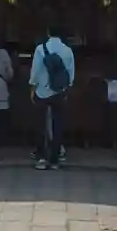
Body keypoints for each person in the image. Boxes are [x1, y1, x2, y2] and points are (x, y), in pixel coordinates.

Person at [28, 20, 75, 171]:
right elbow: (70, 73)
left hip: (42, 91)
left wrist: (32, 87)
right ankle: (55, 159)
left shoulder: (40, 49)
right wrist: (66, 87)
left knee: (40, 125)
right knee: (58, 126)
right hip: (59, 92)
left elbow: (35, 71)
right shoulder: (67, 50)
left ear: (48, 33)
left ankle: (42, 157)